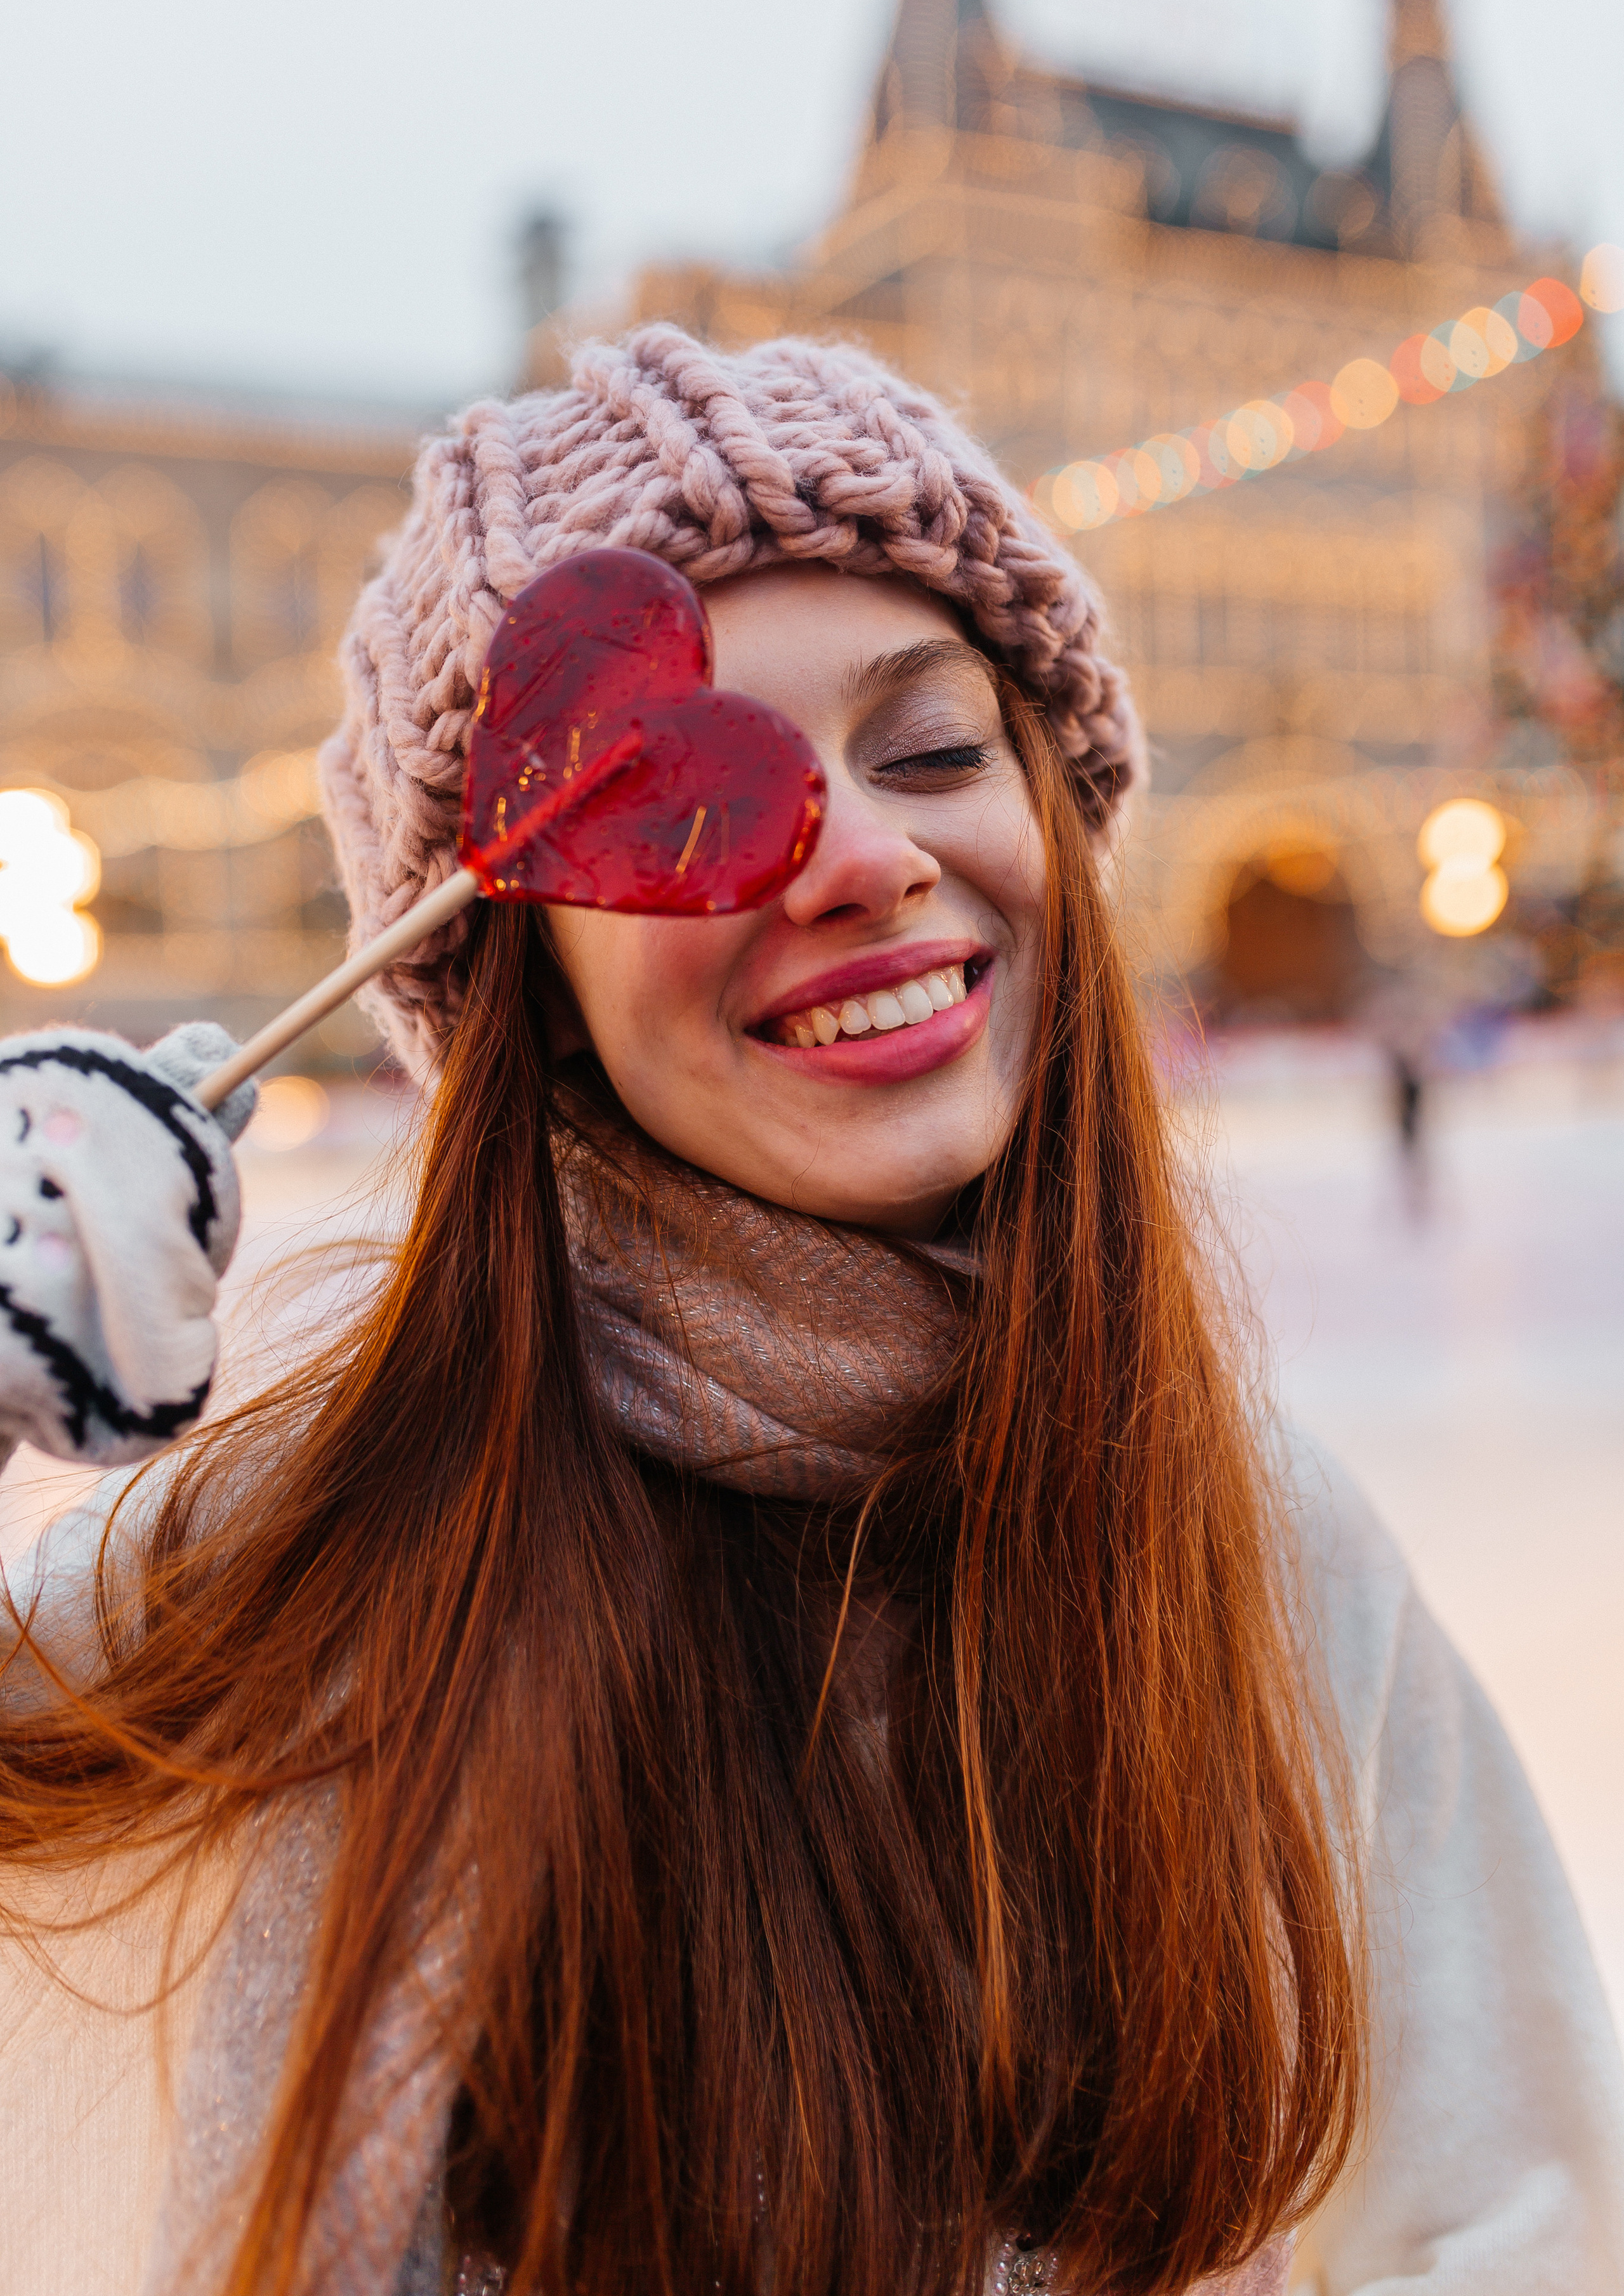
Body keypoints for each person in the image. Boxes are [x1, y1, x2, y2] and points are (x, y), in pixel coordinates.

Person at [0, 327, 1618, 2296]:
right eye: (680, 803)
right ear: (527, 981)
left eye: (933, 749)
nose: (859, 854)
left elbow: (1502, 2210)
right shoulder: (315, 1554)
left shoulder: (1258, 1551)